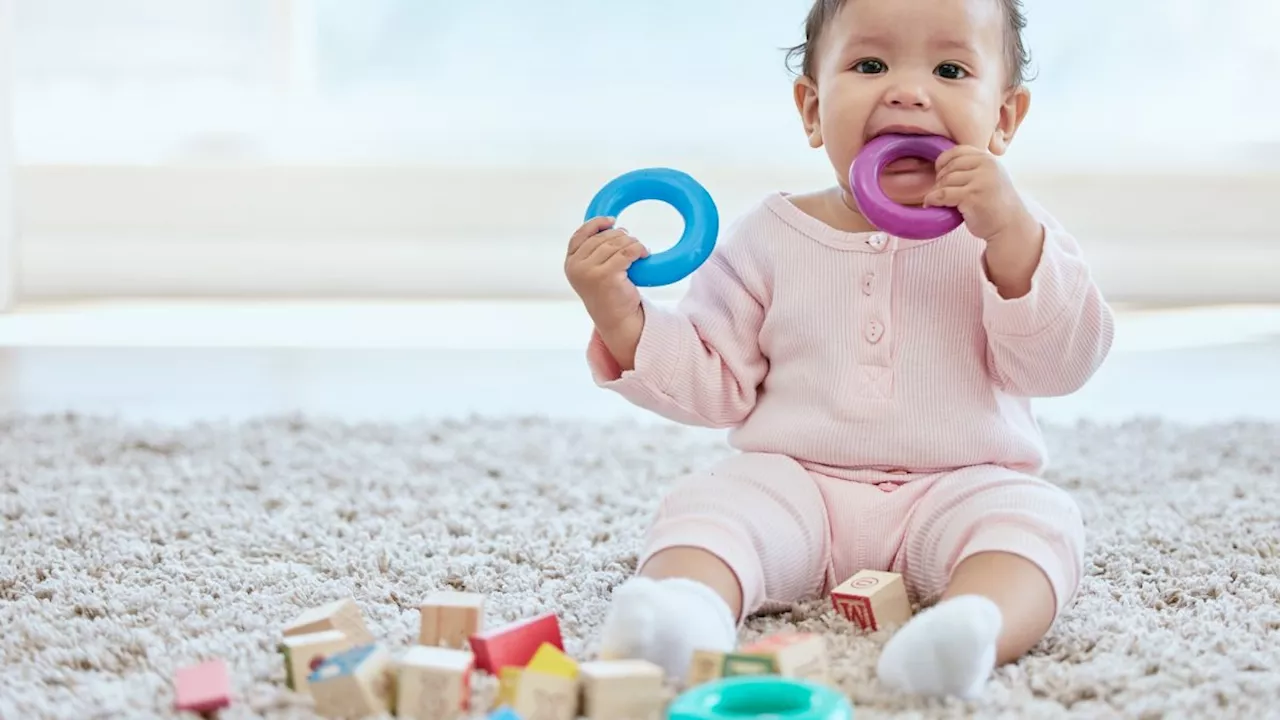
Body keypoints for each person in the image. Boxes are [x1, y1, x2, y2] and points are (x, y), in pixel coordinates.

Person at [563, 0, 1114, 700]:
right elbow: (715, 384)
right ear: (813, 107)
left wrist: (1012, 242)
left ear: (1003, 118)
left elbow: (1062, 365)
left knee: (1038, 521)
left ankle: (973, 630)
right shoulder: (770, 235)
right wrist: (619, 312)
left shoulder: (1011, 234)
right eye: (870, 64)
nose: (908, 90)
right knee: (708, 505)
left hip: (961, 482)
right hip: (796, 484)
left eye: (950, 69)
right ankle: (685, 616)